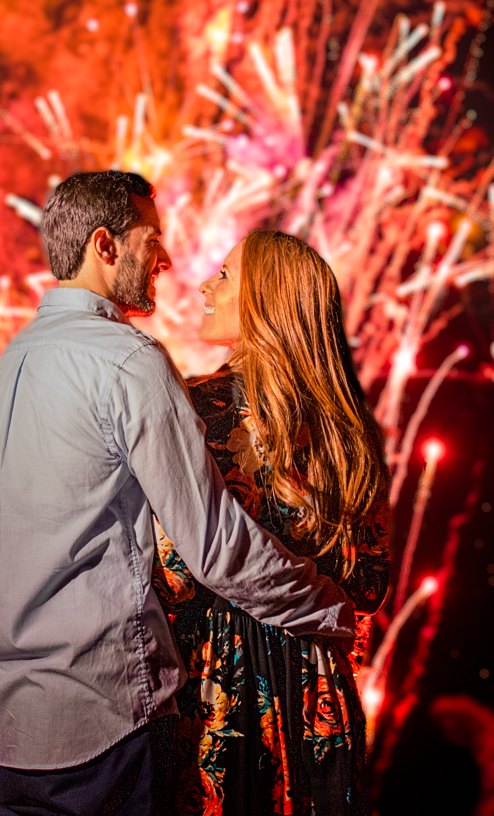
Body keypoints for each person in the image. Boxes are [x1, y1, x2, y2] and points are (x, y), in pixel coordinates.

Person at [0, 172, 357, 816]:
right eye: (151, 239)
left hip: (11, 731)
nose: (167, 259)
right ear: (105, 245)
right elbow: (213, 547)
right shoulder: (128, 360)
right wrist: (325, 608)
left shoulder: (12, 362)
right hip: (104, 721)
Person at [157, 230, 391, 816]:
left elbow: (174, 569)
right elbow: (369, 586)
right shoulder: (351, 431)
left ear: (265, 300)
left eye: (226, 276)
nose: (207, 285)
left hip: (212, 686)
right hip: (319, 689)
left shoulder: (192, 408)